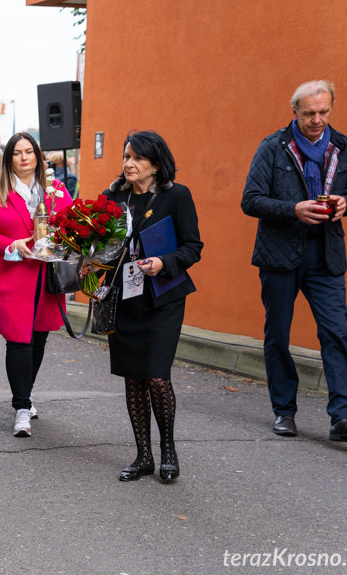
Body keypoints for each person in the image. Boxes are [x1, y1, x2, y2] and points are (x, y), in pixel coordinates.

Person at [241, 80, 347, 442]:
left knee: (335, 333)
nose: (317, 119)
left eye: (324, 112)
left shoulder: (342, 146)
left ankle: (345, 417)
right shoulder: (273, 147)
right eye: (310, 113)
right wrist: (293, 210)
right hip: (280, 255)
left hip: (326, 256)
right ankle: (284, 411)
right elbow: (250, 200)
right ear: (295, 112)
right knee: (278, 336)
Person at [97, 131, 202, 483]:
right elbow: (98, 243)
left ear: (155, 165)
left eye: (138, 158)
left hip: (162, 299)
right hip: (124, 300)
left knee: (157, 377)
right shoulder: (113, 197)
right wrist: (90, 261)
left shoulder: (177, 196)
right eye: (126, 156)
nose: (129, 163)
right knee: (134, 379)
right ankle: (143, 455)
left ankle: (168, 449)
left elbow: (193, 247)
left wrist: (163, 262)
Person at [0, 132, 73, 437]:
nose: (24, 157)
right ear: (8, 158)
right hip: (10, 276)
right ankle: (21, 406)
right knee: (18, 340)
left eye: (29, 151)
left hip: (46, 276)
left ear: (38, 156)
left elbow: (72, 222)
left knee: (39, 339)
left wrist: (63, 241)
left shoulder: (54, 189)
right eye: (17, 153)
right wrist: (11, 244)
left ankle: (25, 395)